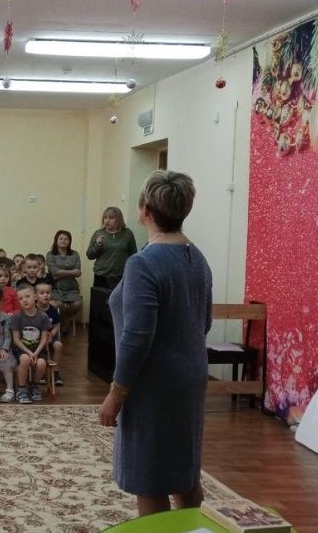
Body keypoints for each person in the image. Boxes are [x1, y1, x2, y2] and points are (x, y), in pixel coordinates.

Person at [98, 170, 213, 517]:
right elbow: (204, 322)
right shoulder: (199, 258)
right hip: (191, 377)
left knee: (150, 477)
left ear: (144, 210)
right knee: (183, 469)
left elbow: (136, 338)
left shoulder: (143, 263)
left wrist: (116, 394)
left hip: (152, 384)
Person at [11, 283, 51, 404]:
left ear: (34, 297)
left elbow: (44, 338)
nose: (24, 300)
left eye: (27, 296)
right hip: (22, 349)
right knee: (25, 359)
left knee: (41, 364)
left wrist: (36, 352)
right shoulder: (17, 317)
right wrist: (29, 352)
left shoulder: (43, 317)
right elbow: (16, 339)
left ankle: (34, 385)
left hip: (38, 349)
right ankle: (21, 388)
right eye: (21, 298)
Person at [86, 206, 138, 289]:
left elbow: (133, 255)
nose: (107, 221)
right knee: (100, 297)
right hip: (101, 276)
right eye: (105, 218)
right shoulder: (98, 233)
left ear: (118, 220)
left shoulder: (127, 234)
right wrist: (97, 245)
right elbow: (89, 255)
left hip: (120, 276)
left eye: (111, 218)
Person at [46, 231, 83, 335]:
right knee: (58, 305)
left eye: (66, 239)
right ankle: (64, 322)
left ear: (69, 241)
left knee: (77, 304)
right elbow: (54, 272)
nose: (63, 241)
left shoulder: (75, 254)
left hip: (72, 287)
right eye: (61, 238)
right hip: (56, 287)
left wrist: (60, 273)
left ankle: (66, 320)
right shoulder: (50, 254)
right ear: (56, 240)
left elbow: (78, 272)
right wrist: (72, 272)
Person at [35, 281, 64, 386]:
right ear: (35, 296)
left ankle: (55, 371)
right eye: (42, 293)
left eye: (48, 293)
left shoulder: (53, 310)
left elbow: (56, 326)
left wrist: (51, 334)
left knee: (58, 345)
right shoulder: (33, 309)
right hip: (36, 338)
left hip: (50, 336)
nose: (45, 295)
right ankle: (41, 371)